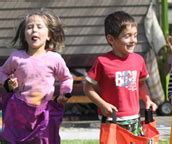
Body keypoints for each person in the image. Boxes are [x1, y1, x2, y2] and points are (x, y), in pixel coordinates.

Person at [0, 9, 73, 143]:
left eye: (39, 27)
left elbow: (66, 78)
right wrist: (7, 83)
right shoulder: (17, 57)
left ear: (49, 35)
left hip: (44, 111)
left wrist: (65, 92)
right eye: (29, 27)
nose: (34, 30)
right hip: (19, 110)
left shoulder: (55, 59)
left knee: (44, 139)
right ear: (24, 34)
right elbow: (2, 72)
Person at [83, 11, 157, 136]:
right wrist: (103, 105)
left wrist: (147, 100)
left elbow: (141, 84)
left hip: (135, 118)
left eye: (135, 35)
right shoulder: (102, 62)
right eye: (127, 36)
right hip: (112, 119)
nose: (133, 40)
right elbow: (87, 87)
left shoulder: (139, 60)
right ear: (111, 39)